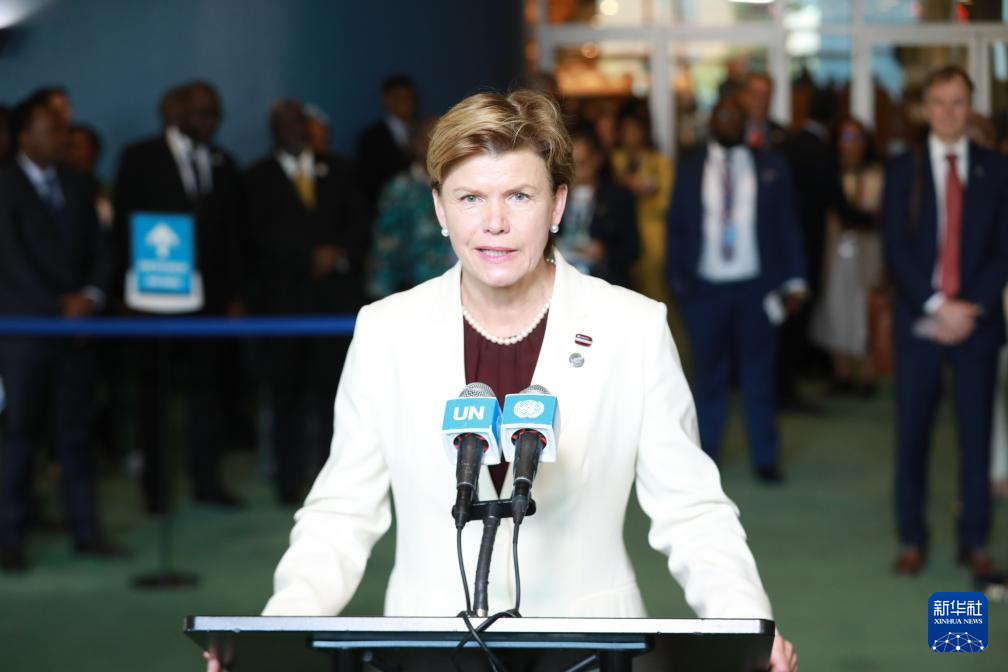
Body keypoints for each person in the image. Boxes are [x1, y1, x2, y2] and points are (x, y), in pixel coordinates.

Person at [206, 89, 797, 672]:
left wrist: (746, 625)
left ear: (557, 205)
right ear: (440, 209)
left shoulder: (632, 327)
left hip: (590, 652)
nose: (494, 223)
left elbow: (691, 510)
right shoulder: (387, 330)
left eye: (519, 195)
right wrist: (273, 638)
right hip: (428, 653)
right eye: (470, 197)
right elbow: (342, 512)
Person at [883, 65, 1008, 581]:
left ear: (970, 107)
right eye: (939, 102)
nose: (948, 112)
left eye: (958, 102)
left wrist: (969, 307)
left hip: (976, 324)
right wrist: (937, 304)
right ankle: (912, 538)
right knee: (912, 435)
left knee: (976, 437)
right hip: (920, 322)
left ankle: (974, 542)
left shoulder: (996, 169)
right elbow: (895, 249)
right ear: (925, 108)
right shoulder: (902, 169)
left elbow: (1002, 250)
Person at [0, 95, 123, 572]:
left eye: (64, 129)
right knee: (19, 439)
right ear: (24, 136)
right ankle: (9, 539)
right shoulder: (4, 184)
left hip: (76, 334)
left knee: (75, 437)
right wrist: (58, 307)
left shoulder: (77, 182)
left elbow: (102, 249)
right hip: (25, 334)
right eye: (53, 129)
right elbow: (10, 260)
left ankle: (86, 532)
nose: (63, 138)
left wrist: (90, 296)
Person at [113, 81, 245, 512]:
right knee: (155, 394)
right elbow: (124, 225)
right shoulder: (140, 156)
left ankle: (207, 481)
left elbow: (232, 235)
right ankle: (156, 490)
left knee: (208, 393)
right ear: (176, 111)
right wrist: (126, 292)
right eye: (201, 112)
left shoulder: (225, 162)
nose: (209, 122)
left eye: (215, 114)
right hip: (156, 296)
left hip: (211, 300)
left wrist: (235, 295)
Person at [666, 96, 807, 484]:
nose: (728, 122)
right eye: (722, 115)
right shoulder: (691, 167)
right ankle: (706, 456)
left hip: (756, 290)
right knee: (707, 376)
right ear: (711, 121)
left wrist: (795, 280)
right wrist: (679, 283)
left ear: (747, 123)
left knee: (759, 375)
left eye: (736, 116)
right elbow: (677, 226)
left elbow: (788, 225)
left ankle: (766, 456)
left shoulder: (771, 166)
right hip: (705, 291)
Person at [244, 100, 367, 505]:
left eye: (299, 123)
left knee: (336, 396)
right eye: (284, 125)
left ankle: (335, 482)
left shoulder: (341, 169)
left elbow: (359, 223)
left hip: (334, 305)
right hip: (282, 307)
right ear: (274, 132)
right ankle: (289, 480)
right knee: (286, 398)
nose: (294, 131)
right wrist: (307, 259)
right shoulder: (256, 178)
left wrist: (337, 253)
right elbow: (254, 238)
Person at [810, 117, 885, 395]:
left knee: (866, 310)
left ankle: (867, 373)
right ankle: (840, 373)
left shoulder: (877, 174)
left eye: (856, 138)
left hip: (868, 252)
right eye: (845, 137)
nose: (850, 144)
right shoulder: (828, 173)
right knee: (835, 308)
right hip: (834, 251)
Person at [367, 116, 456, 299]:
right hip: (417, 294)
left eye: (446, 139)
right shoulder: (400, 189)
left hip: (466, 292)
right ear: (417, 144)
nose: (439, 146)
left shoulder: (464, 185)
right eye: (432, 138)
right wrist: (384, 302)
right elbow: (385, 251)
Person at [556, 125, 640, 288]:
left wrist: (604, 251)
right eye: (572, 164)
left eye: (583, 163)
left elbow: (633, 250)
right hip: (564, 281)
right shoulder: (557, 195)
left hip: (605, 282)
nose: (577, 171)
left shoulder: (618, 197)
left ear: (597, 158)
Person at [609, 110, 672, 301]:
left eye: (635, 129)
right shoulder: (615, 160)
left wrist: (646, 193)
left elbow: (667, 201)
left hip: (652, 235)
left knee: (655, 289)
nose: (631, 135)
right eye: (626, 130)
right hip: (621, 233)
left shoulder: (659, 161)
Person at [356, 74, 417, 211]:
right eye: (400, 97)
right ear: (386, 99)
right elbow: (367, 181)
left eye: (409, 97)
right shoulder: (371, 138)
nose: (406, 102)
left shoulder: (421, 131)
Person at [739, 73, 789, 151]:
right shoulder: (731, 133)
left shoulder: (783, 136)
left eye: (766, 95)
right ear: (742, 96)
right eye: (755, 94)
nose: (761, 101)